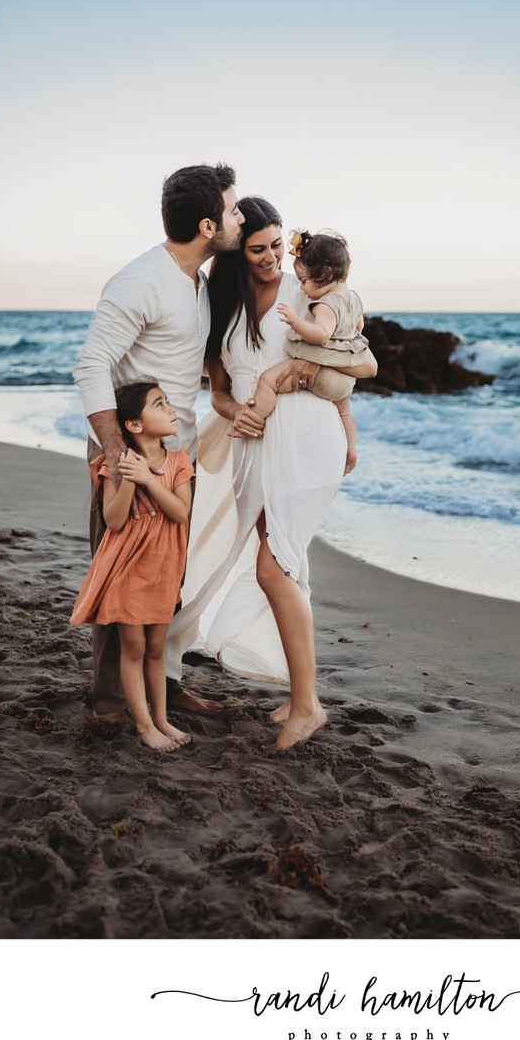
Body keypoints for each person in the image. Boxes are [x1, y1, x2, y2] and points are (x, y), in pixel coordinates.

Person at [164, 196, 378, 751]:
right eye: (257, 249)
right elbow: (217, 393)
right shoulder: (222, 306)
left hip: (306, 442)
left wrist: (306, 374)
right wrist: (243, 413)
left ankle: (307, 707)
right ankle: (294, 687)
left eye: (278, 247)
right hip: (254, 449)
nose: (271, 259)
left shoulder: (305, 293)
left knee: (273, 567)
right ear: (235, 254)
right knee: (286, 565)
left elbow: (365, 363)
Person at [74, 163, 244, 723]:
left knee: (164, 574)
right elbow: (91, 366)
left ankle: (161, 686)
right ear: (206, 226)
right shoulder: (140, 281)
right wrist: (117, 458)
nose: (237, 218)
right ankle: (110, 703)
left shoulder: (195, 282)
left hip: (175, 458)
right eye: (231, 210)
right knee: (118, 575)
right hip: (130, 455)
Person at [71, 381, 194, 752]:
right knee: (134, 649)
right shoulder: (115, 466)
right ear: (135, 425)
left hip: (163, 569)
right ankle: (143, 725)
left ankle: (161, 719)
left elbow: (179, 512)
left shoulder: (180, 461)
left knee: (157, 649)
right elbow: (114, 520)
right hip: (126, 570)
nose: (171, 409)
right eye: (160, 404)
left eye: (168, 402)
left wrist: (149, 481)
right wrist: (128, 479)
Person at [229, 228, 368, 474]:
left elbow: (321, 334)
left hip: (319, 374)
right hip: (344, 382)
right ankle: (352, 449)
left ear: (324, 275)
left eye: (304, 281)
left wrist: (296, 321)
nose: (302, 288)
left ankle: (254, 419)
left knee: (268, 381)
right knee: (344, 411)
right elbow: (358, 329)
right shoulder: (354, 299)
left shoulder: (325, 304)